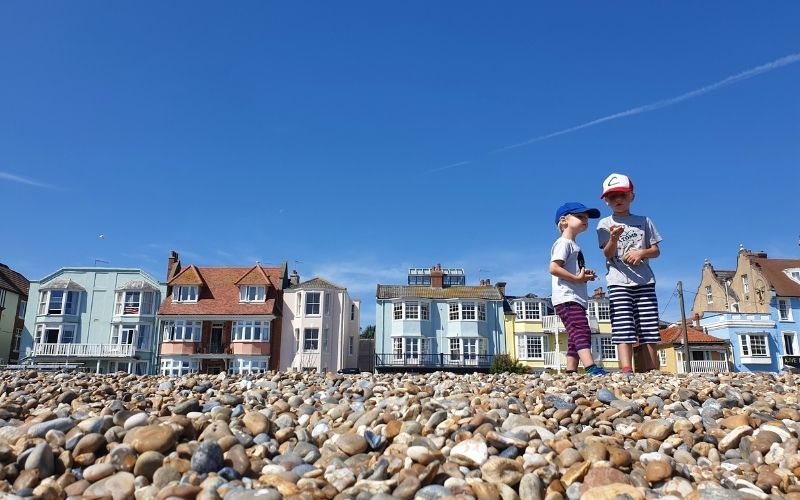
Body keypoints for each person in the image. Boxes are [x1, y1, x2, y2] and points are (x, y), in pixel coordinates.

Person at [596, 173, 662, 374]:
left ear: (632, 196)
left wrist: (641, 252)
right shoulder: (604, 224)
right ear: (606, 200)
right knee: (623, 324)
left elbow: (656, 250)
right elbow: (607, 254)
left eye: (622, 195)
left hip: (644, 281)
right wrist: (613, 239)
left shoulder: (644, 221)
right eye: (612, 196)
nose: (618, 200)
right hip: (618, 282)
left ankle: (652, 367)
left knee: (648, 325)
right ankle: (626, 367)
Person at [550, 202, 608, 376]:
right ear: (564, 220)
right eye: (580, 216)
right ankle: (590, 367)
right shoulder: (564, 243)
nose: (585, 220)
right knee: (582, 330)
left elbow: (566, 268)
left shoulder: (573, 245)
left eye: (586, 218)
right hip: (567, 297)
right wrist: (577, 278)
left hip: (574, 297)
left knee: (575, 334)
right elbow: (554, 268)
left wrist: (583, 275)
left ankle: (571, 370)